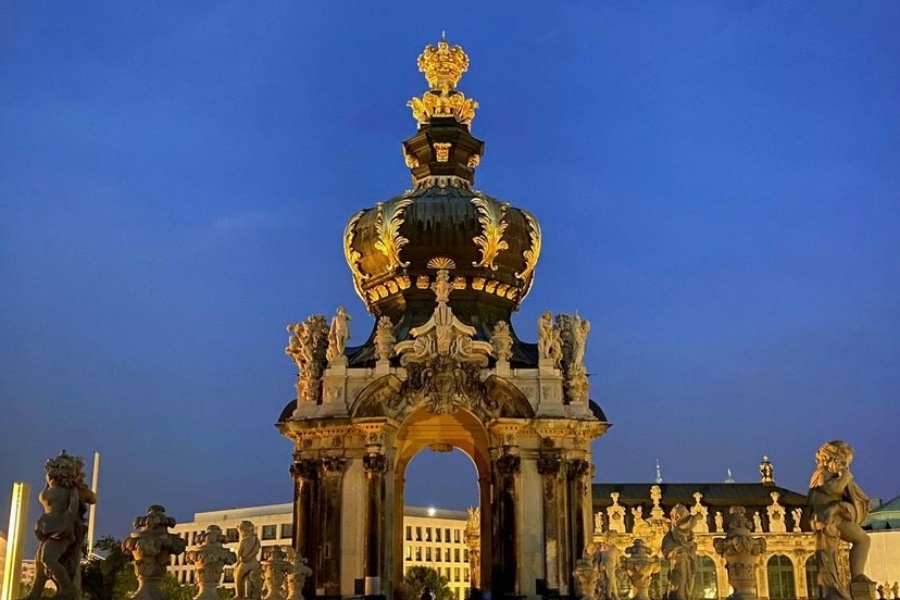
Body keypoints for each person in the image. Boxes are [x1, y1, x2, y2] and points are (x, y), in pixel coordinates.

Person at [27, 451, 97, 600]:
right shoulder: (50, 488)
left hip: (60, 530)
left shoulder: (71, 490)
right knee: (39, 563)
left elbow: (84, 503)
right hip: (47, 530)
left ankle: (67, 590)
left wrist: (66, 525)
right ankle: (34, 593)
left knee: (48, 558)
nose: (50, 475)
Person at [808, 440, 872, 593]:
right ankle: (854, 577)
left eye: (846, 464)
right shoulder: (822, 474)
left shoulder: (829, 474)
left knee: (862, 540)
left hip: (832, 516)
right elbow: (832, 489)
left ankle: (856, 577)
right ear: (829, 459)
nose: (844, 466)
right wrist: (845, 476)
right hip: (828, 517)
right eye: (842, 463)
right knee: (862, 540)